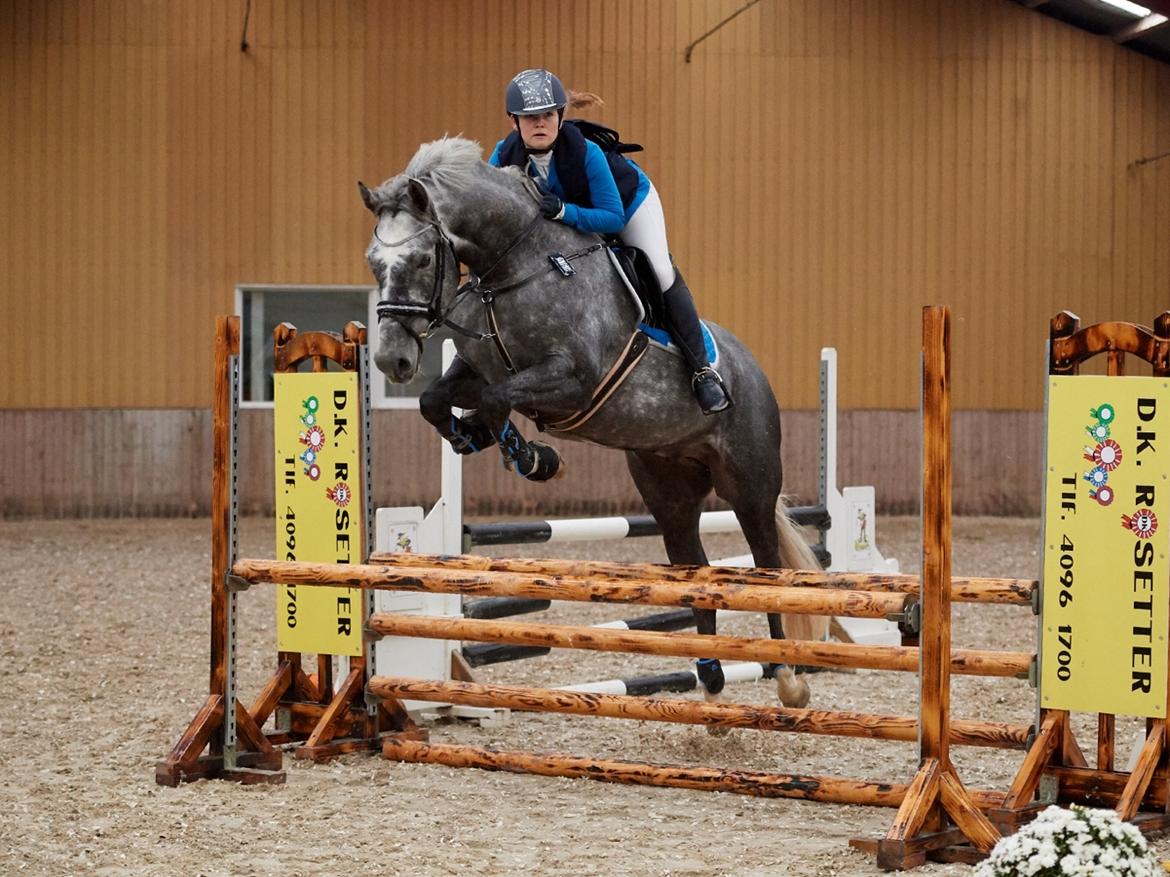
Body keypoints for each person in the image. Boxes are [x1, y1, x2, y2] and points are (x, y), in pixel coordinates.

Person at [488, 68, 732, 415]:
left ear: (560, 116)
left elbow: (612, 217)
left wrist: (564, 213)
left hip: (629, 204)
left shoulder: (586, 152)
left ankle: (702, 372)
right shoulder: (502, 157)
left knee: (660, 271)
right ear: (513, 122)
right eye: (529, 118)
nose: (539, 124)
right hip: (569, 219)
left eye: (547, 115)